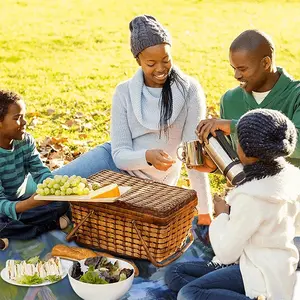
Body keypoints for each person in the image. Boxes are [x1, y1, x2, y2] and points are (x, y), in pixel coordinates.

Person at [53, 15, 213, 225]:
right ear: (138, 60)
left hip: (148, 186)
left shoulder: (190, 90)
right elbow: (119, 155)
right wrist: (147, 156)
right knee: (49, 189)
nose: (160, 69)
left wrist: (205, 212)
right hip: (112, 163)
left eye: (166, 60)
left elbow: (193, 156)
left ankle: (61, 217)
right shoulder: (125, 92)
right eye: (151, 63)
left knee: (68, 206)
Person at [165, 108, 300, 300]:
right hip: (272, 266)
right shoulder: (291, 178)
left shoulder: (251, 197)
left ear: (245, 150)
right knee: (175, 273)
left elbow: (226, 253)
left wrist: (222, 215)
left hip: (259, 275)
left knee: (188, 293)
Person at [196, 29, 300, 168]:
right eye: (234, 68)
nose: (236, 75)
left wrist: (235, 126)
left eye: (242, 69)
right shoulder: (230, 100)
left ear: (265, 63)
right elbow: (236, 161)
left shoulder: (296, 95)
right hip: (247, 188)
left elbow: (297, 144)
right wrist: (213, 166)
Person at [0, 90, 70, 246]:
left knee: (62, 203)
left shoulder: (25, 141)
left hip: (21, 202)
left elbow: (40, 171)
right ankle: (50, 225)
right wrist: (31, 204)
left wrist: (52, 188)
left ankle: (12, 232)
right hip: (5, 207)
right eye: (17, 118)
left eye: (24, 116)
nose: (24, 122)